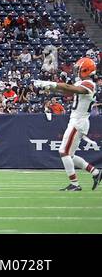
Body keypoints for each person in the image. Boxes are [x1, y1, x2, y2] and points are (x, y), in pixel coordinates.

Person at [32, 56, 100, 190]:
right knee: (70, 155)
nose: (76, 72)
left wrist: (51, 84)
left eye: (79, 69)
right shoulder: (83, 83)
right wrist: (49, 88)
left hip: (79, 121)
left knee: (64, 152)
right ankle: (95, 172)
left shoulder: (89, 84)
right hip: (77, 121)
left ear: (85, 70)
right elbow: (67, 90)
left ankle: (75, 184)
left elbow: (70, 88)